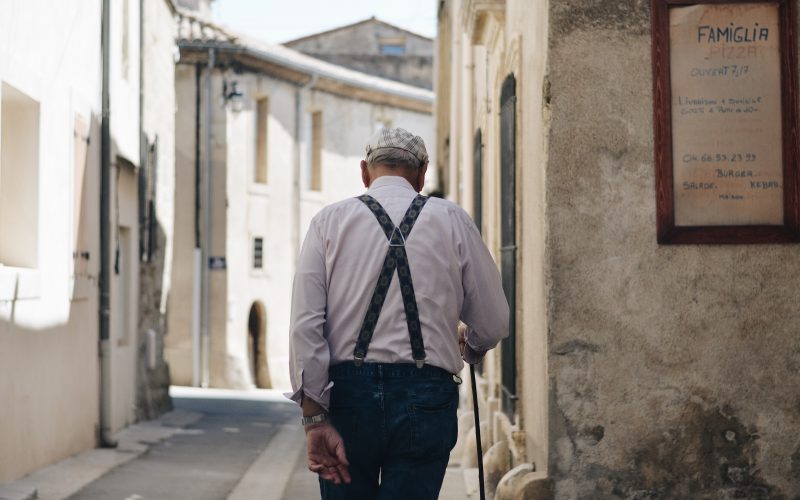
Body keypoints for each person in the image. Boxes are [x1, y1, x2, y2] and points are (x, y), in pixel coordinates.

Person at [287, 127, 509, 500]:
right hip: (426, 398)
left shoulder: (328, 222)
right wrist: (469, 346)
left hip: (348, 398)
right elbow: (493, 321)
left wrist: (314, 418)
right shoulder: (452, 219)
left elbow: (305, 326)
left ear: (364, 171)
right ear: (422, 174)